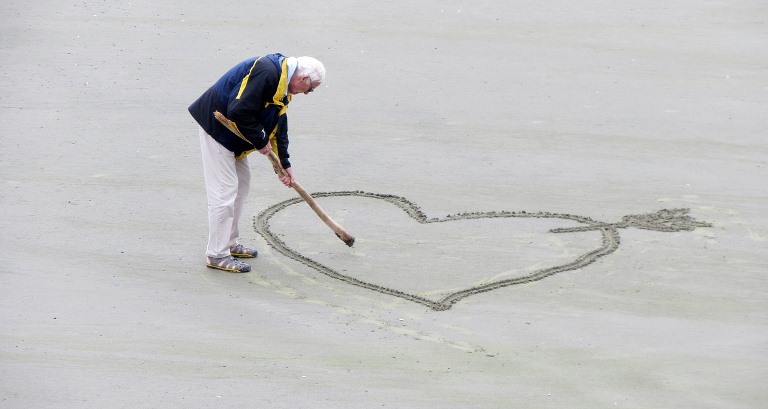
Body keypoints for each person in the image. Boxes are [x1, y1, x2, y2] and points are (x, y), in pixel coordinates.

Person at [188, 53, 325, 273]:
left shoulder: (283, 84)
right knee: (224, 194)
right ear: (303, 79)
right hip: (217, 130)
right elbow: (237, 110)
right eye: (311, 89)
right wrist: (261, 142)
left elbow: (278, 123)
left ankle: (229, 244)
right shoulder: (268, 72)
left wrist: (284, 164)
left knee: (241, 186)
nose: (308, 93)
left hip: (234, 137)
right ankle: (216, 254)